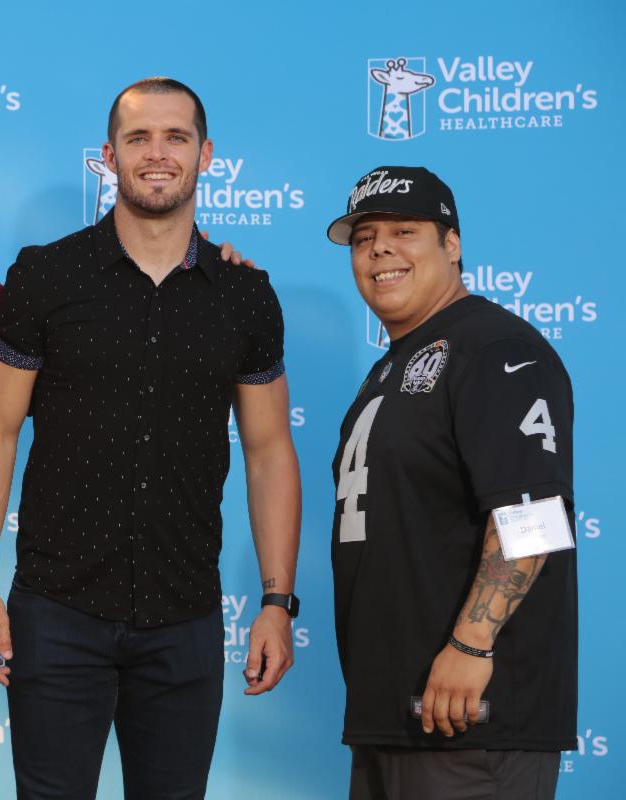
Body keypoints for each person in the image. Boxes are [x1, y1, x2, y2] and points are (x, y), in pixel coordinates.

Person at [0, 77, 303, 799]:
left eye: (175, 137)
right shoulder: (44, 276)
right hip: (55, 612)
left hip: (185, 620)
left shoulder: (245, 295)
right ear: (108, 155)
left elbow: (270, 452)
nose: (157, 153)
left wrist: (277, 601)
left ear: (206, 155)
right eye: (138, 138)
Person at [325, 166, 577, 799]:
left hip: (472, 719)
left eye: (404, 230)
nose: (379, 248)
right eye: (363, 237)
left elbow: (535, 512)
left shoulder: (494, 347)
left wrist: (473, 643)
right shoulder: (393, 366)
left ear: (452, 244)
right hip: (392, 714)